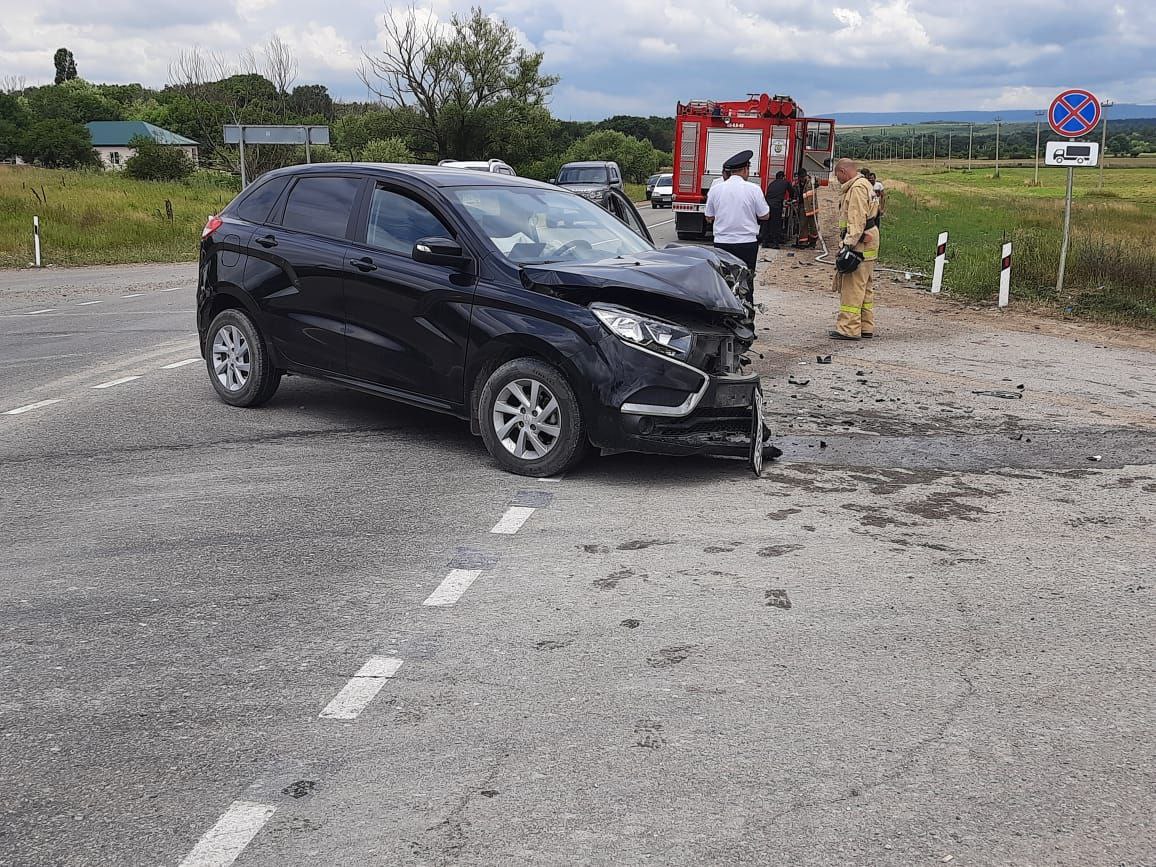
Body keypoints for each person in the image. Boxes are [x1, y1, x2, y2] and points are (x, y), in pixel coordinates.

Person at [829, 157, 881, 340]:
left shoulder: (857, 188)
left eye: (838, 176)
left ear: (843, 171)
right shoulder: (866, 184)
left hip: (859, 244)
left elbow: (857, 220)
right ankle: (866, 326)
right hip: (869, 242)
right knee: (865, 287)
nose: (837, 180)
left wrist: (847, 246)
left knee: (852, 288)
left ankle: (848, 328)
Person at [704, 149, 769, 291]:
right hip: (747, 244)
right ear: (746, 169)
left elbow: (709, 216)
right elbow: (764, 215)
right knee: (746, 280)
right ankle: (747, 309)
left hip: (722, 243)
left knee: (724, 281)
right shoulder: (754, 189)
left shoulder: (716, 189)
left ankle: (727, 309)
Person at [760, 170, 793, 248]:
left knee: (766, 224)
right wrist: (791, 199)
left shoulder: (771, 183)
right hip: (776, 206)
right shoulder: (785, 182)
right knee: (776, 224)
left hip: (767, 205)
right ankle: (775, 244)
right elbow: (792, 191)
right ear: (783, 177)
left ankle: (765, 243)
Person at [794, 168, 819, 248]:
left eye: (802, 177)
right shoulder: (797, 184)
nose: (801, 179)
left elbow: (818, 182)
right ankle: (803, 242)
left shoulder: (811, 182)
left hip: (811, 207)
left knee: (813, 225)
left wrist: (815, 180)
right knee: (803, 225)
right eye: (800, 177)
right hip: (802, 206)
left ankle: (813, 241)